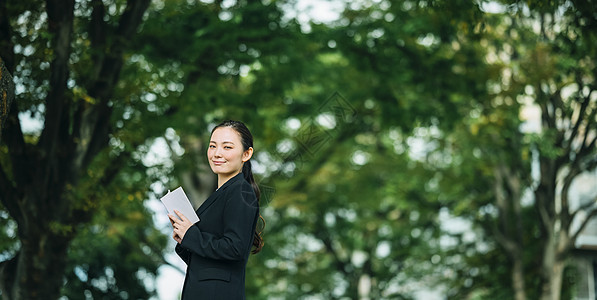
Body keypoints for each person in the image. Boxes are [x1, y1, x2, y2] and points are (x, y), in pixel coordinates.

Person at [169, 120, 265, 300]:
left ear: (246, 153)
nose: (217, 153)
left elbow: (235, 248)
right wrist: (184, 239)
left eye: (227, 147)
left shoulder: (241, 191)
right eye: (212, 146)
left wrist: (192, 235)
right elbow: (208, 263)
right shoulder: (221, 194)